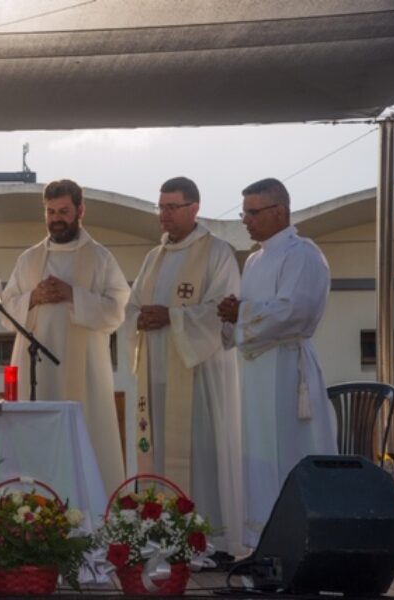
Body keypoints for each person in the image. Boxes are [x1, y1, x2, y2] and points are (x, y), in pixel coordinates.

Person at [125, 177, 244, 556]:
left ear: (195, 207)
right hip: (156, 377)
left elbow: (222, 310)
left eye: (172, 207)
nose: (163, 215)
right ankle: (161, 536)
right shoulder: (153, 257)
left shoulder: (217, 253)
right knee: (157, 452)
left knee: (201, 456)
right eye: (160, 207)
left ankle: (207, 539)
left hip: (198, 379)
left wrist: (173, 317)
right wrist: (139, 319)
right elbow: (130, 307)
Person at [217, 178, 337, 549]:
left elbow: (295, 311)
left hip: (287, 372)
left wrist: (243, 313)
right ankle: (263, 545)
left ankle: (300, 542)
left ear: (280, 211)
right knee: (259, 459)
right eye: (244, 214)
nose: (247, 222)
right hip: (255, 375)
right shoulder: (254, 260)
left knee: (289, 454)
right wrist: (230, 315)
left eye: (253, 213)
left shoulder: (302, 253)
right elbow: (246, 317)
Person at [0, 179, 130, 495]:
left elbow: (117, 310)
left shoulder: (100, 258)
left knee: (88, 439)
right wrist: (33, 297)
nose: (56, 218)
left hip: (85, 370)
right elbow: (5, 312)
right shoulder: (28, 259)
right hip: (37, 372)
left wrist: (74, 295)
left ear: (80, 210)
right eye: (50, 211)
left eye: (64, 211)